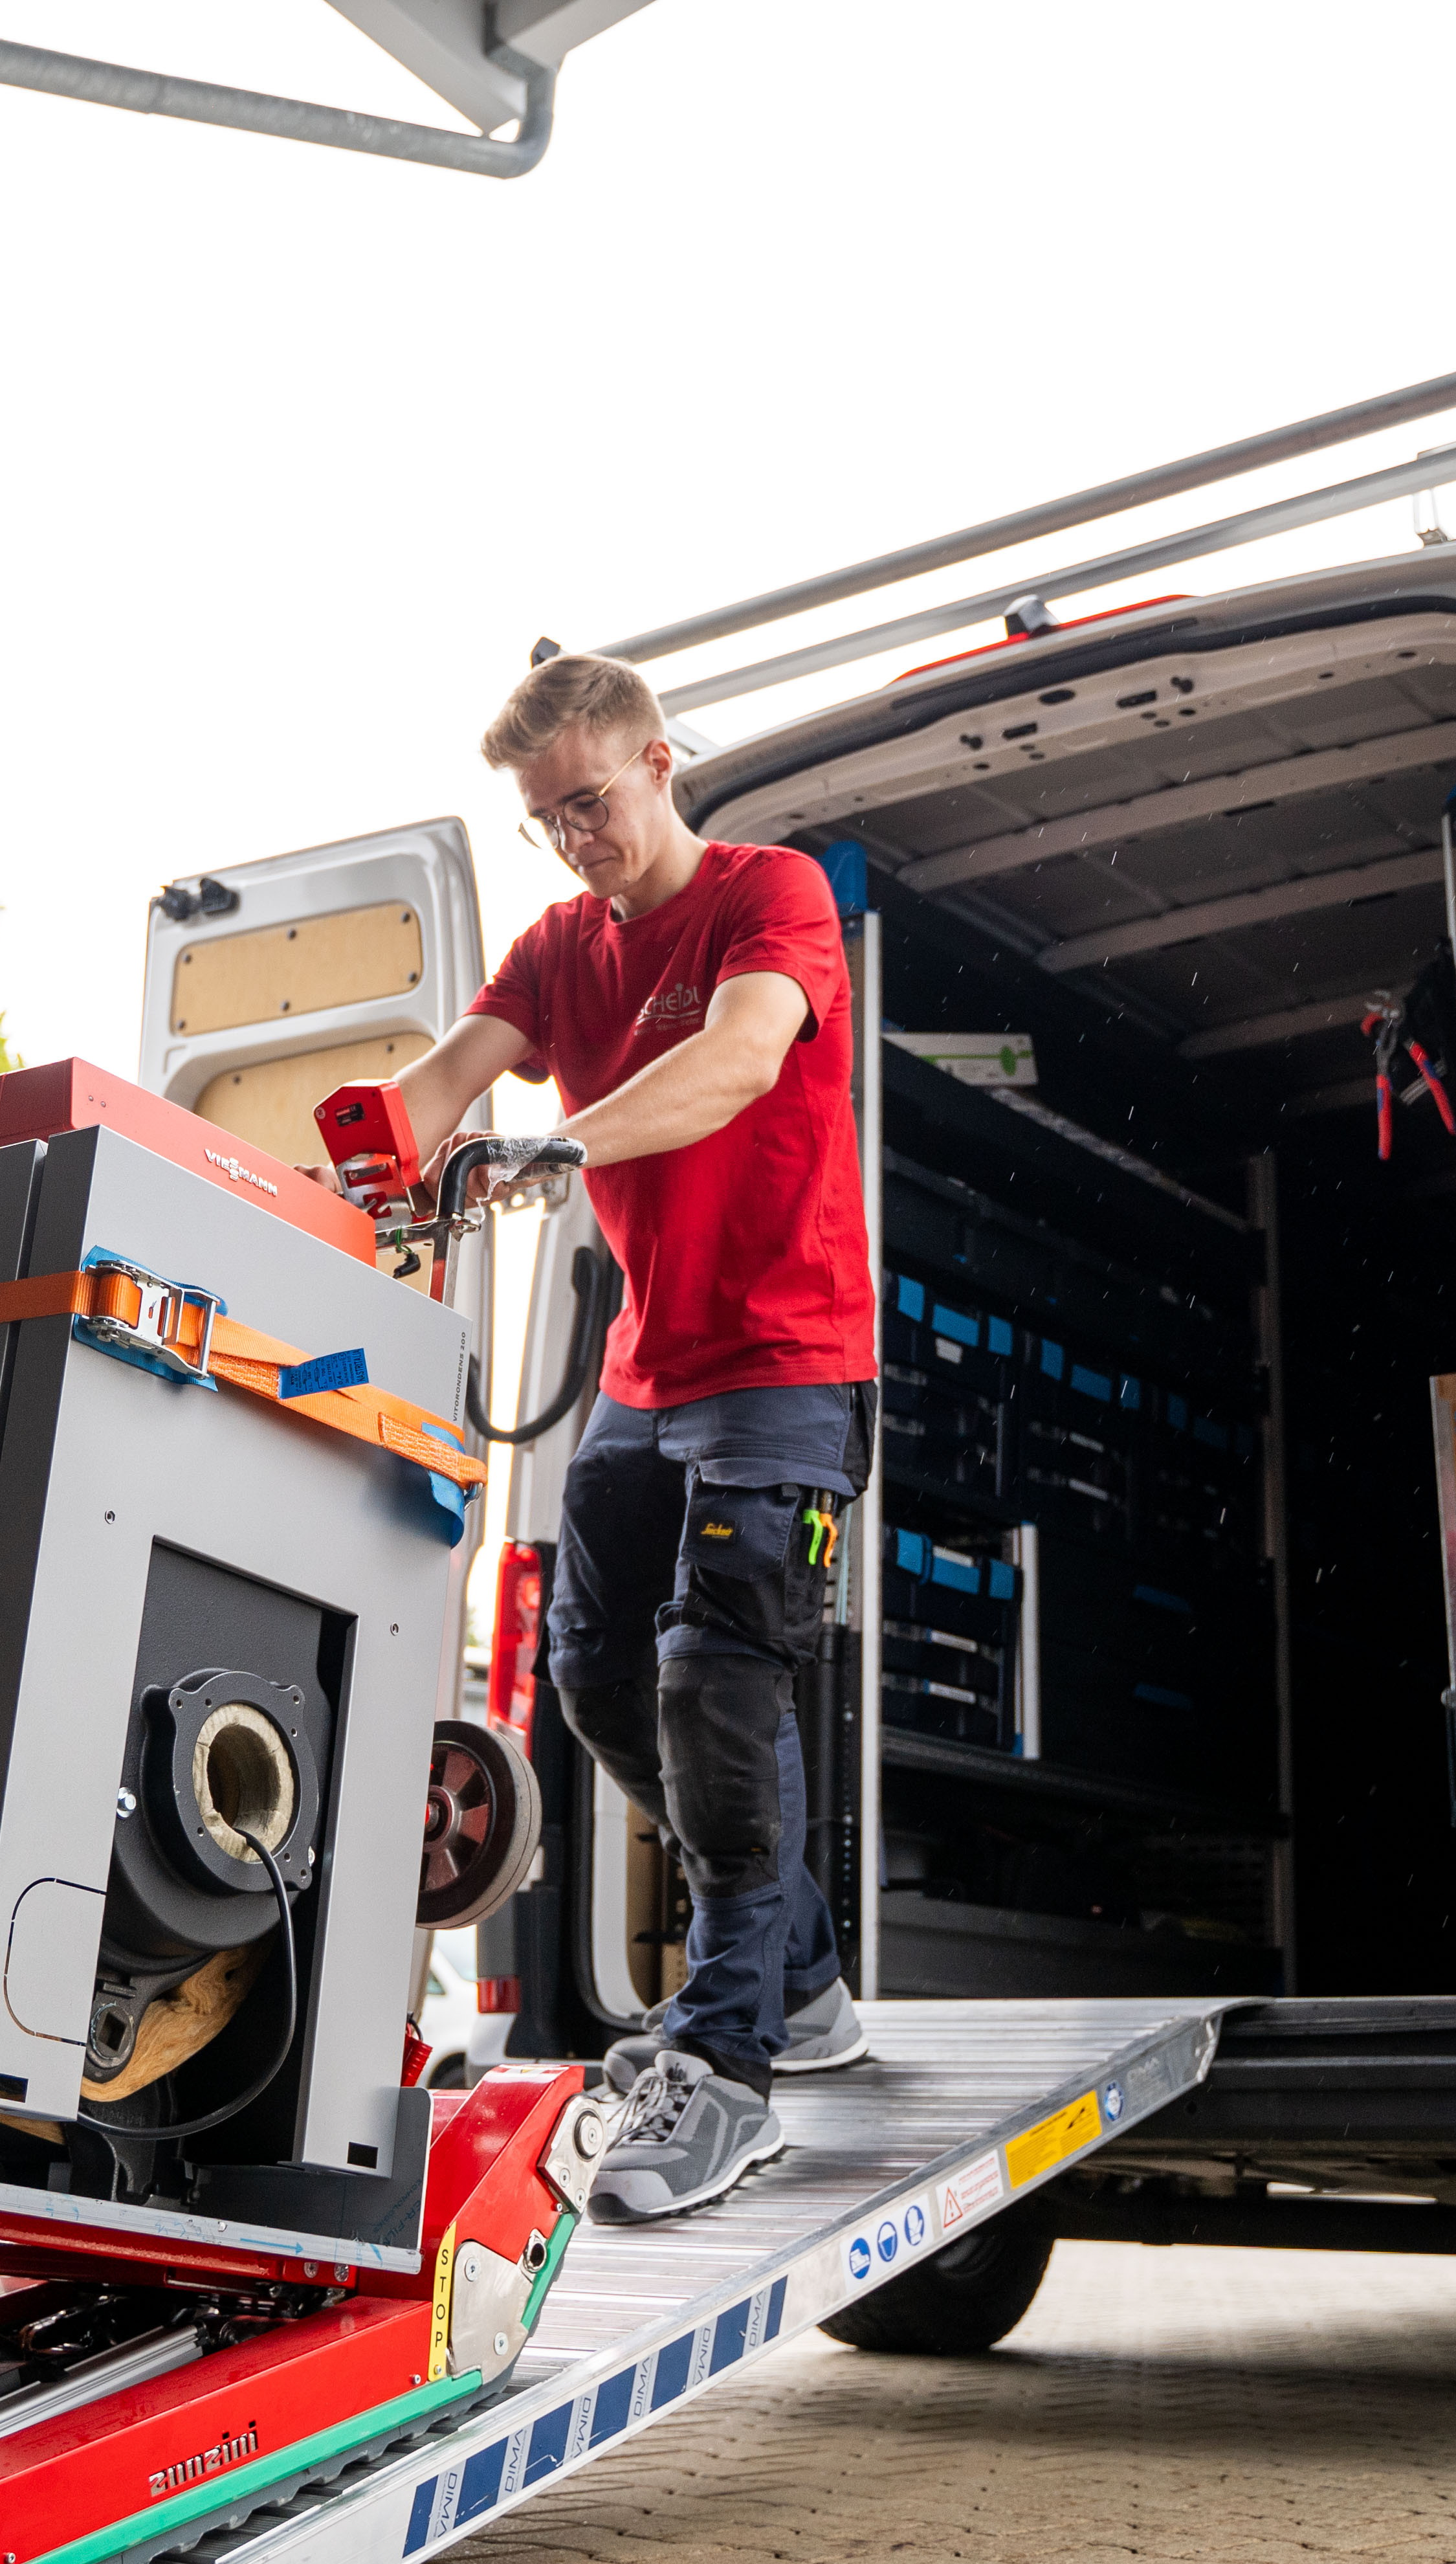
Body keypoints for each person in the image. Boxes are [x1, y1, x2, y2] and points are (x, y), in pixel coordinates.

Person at [358, 652, 876, 2223]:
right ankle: (800, 1974)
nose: (575, 836)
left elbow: (734, 1058)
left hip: (789, 1356)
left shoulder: (762, 895)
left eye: (590, 799)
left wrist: (557, 1142)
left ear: (659, 763)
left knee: (720, 1680)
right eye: (545, 817)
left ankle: (727, 2064)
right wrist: (366, 1155)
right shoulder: (559, 946)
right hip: (648, 1375)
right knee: (593, 1680)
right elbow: (446, 1074)